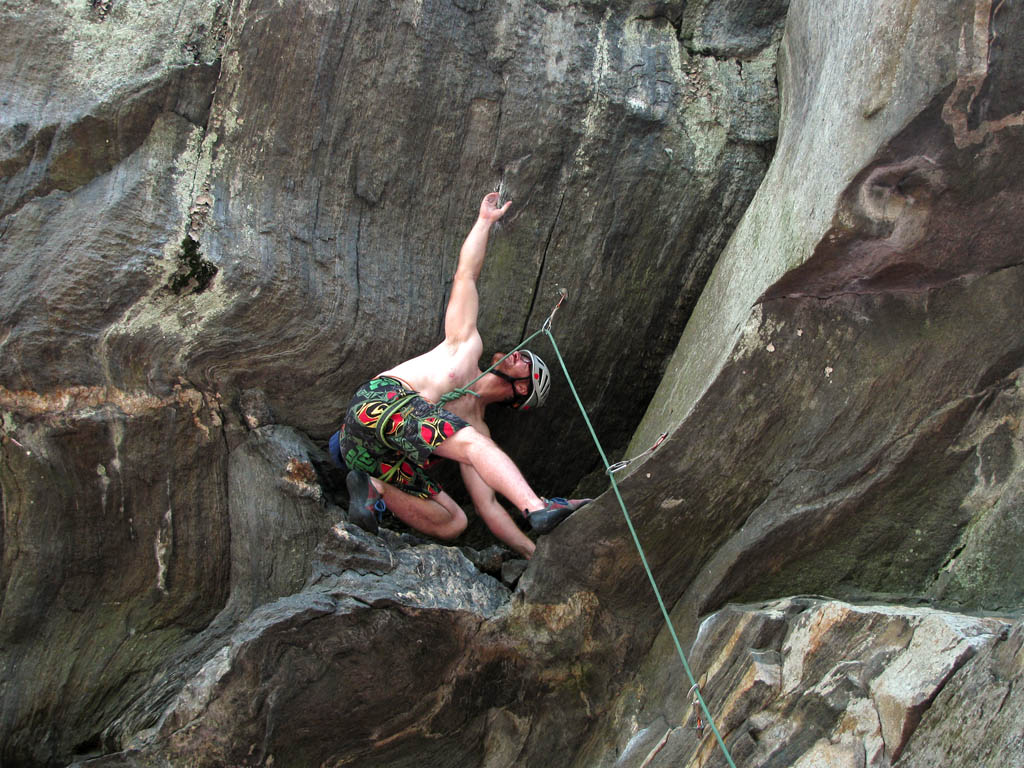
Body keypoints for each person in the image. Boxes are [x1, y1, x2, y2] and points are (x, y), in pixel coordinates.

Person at [328, 192, 590, 558]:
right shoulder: (467, 346)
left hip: (372, 456)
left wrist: (533, 555)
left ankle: (373, 489)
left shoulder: (475, 428)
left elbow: (490, 508)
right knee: (472, 444)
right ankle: (539, 506)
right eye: (523, 354)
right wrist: (484, 221)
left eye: (525, 364)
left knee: (455, 522)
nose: (518, 355)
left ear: (521, 394)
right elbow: (466, 274)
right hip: (377, 403)